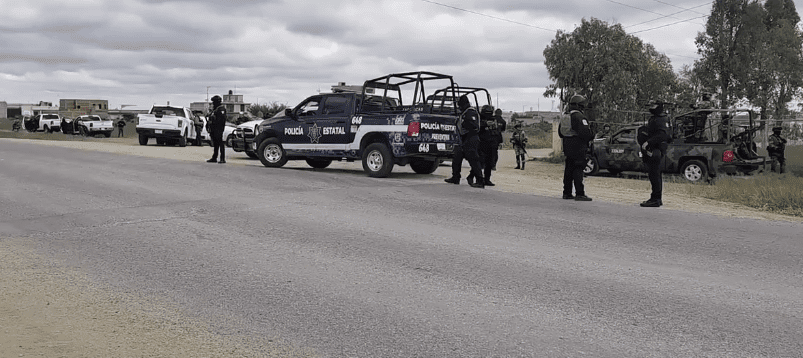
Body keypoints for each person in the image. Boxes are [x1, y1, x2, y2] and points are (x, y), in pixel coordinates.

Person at [558, 94, 594, 201]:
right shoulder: (579, 117)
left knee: (568, 169)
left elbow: (561, 133)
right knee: (578, 169)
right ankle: (580, 193)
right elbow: (585, 133)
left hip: (567, 146)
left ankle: (567, 192)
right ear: (580, 105)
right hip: (578, 146)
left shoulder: (565, 117)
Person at [444, 95, 484, 188]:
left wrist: (465, 125)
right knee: (457, 158)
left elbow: (473, 126)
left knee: (474, 160)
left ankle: (480, 181)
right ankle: (455, 177)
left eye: (459, 104)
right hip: (463, 139)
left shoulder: (470, 112)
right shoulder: (465, 112)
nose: (459, 107)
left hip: (470, 138)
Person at [638, 100, 671, 207]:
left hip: (656, 149)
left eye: (654, 105)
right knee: (654, 174)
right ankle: (656, 198)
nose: (651, 108)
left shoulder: (661, 119)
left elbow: (662, 135)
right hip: (654, 148)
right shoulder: (657, 118)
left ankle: (655, 199)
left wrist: (648, 142)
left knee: (655, 174)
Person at [467, 105, 501, 186]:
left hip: (491, 143)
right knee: (480, 162)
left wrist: (498, 141)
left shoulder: (493, 119)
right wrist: (485, 124)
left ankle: (487, 179)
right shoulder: (479, 118)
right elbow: (476, 126)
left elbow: (497, 131)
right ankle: (473, 177)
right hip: (481, 143)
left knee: (489, 162)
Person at [207, 95, 228, 164]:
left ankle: (222, 158)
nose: (213, 103)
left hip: (218, 129)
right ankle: (214, 157)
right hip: (213, 129)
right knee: (215, 144)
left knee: (220, 143)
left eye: (214, 102)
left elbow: (221, 120)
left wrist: (214, 121)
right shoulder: (215, 109)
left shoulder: (221, 109)